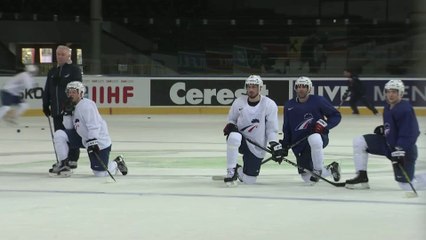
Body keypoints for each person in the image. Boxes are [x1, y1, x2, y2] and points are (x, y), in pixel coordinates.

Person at [345, 79, 425, 191]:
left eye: (394, 91)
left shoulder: (405, 109)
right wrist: (385, 130)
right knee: (360, 141)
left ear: (400, 93)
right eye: (388, 91)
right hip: (388, 146)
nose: (390, 94)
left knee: (406, 185)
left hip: (404, 152)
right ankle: (361, 176)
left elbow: (411, 133)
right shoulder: (387, 107)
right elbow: (395, 126)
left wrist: (400, 149)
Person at [49, 81, 128, 177]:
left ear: (81, 93)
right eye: (69, 92)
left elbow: (94, 125)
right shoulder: (72, 105)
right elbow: (69, 127)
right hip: (84, 139)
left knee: (100, 174)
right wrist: (67, 113)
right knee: (59, 134)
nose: (71, 94)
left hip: (99, 142)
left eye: (74, 92)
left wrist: (93, 141)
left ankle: (117, 162)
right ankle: (64, 164)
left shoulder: (87, 105)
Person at [222, 75, 283, 186]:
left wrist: (274, 143)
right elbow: (231, 120)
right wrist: (231, 126)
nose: (251, 89)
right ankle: (230, 171)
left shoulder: (269, 104)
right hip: (241, 140)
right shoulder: (239, 102)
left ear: (260, 88)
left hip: (257, 145)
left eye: (254, 87)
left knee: (249, 181)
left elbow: (271, 128)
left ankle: (238, 170)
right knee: (234, 137)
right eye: (249, 86)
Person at [281, 76, 342, 185]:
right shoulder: (289, 105)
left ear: (309, 89)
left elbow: (336, 115)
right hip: (299, 144)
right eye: (298, 86)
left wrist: (325, 125)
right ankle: (330, 169)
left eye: (304, 86)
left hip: (318, 136)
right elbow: (287, 127)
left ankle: (317, 169)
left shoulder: (318, 100)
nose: (301, 89)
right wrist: (285, 145)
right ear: (295, 88)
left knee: (314, 138)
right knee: (307, 178)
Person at [43, 45, 82, 169]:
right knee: (59, 135)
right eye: (58, 54)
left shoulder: (74, 70)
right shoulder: (52, 71)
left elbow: (77, 88)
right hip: (56, 110)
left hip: (70, 110)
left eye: (62, 54)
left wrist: (71, 103)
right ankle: (63, 159)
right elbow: (47, 89)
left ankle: (73, 158)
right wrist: (45, 104)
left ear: (68, 56)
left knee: (71, 134)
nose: (60, 56)